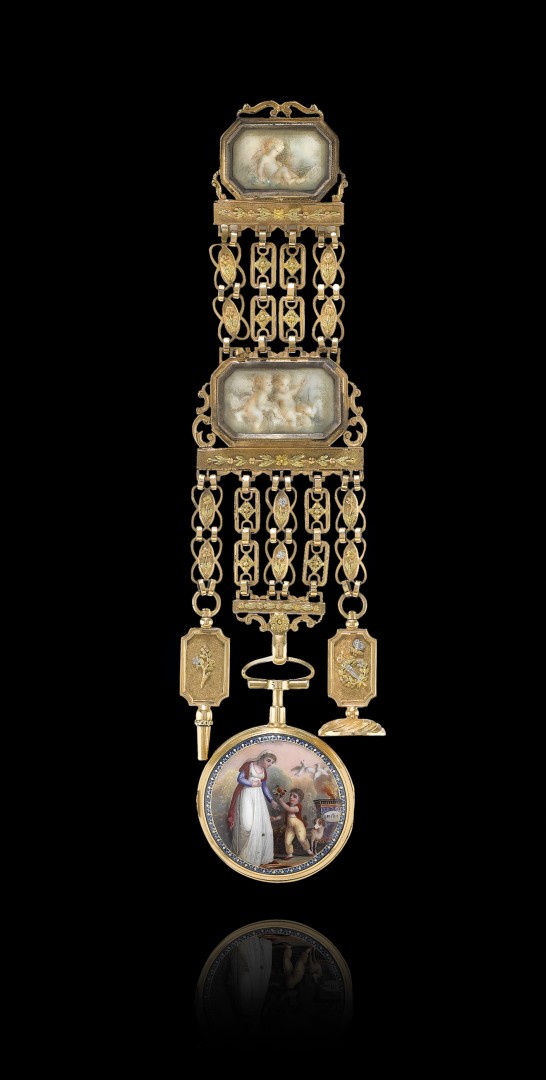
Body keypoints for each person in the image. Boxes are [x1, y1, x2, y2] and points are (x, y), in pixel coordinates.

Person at [227, 752, 279, 867]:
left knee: (266, 828)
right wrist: (252, 784)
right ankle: (248, 857)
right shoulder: (249, 765)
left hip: (259, 799)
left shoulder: (264, 771)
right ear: (261, 757)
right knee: (248, 826)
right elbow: (240, 779)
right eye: (268, 760)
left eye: (271, 762)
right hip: (247, 796)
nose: (270, 764)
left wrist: (271, 800)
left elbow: (264, 787)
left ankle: (266, 857)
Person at [276, 788, 314, 859]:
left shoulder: (298, 806)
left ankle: (308, 850)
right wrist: (276, 818)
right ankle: (290, 854)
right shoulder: (288, 804)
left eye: (294, 796)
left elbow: (289, 809)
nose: (291, 797)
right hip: (289, 826)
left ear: (299, 799)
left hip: (298, 825)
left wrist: (281, 801)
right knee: (287, 840)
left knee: (302, 839)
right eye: (290, 795)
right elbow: (284, 814)